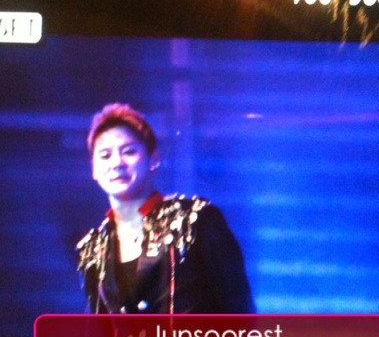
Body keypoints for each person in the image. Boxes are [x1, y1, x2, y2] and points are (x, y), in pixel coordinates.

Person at [76, 103, 255, 315]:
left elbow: (239, 311)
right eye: (105, 155)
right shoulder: (93, 250)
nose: (117, 163)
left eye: (129, 152)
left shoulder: (195, 220)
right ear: (94, 169)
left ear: (153, 159)